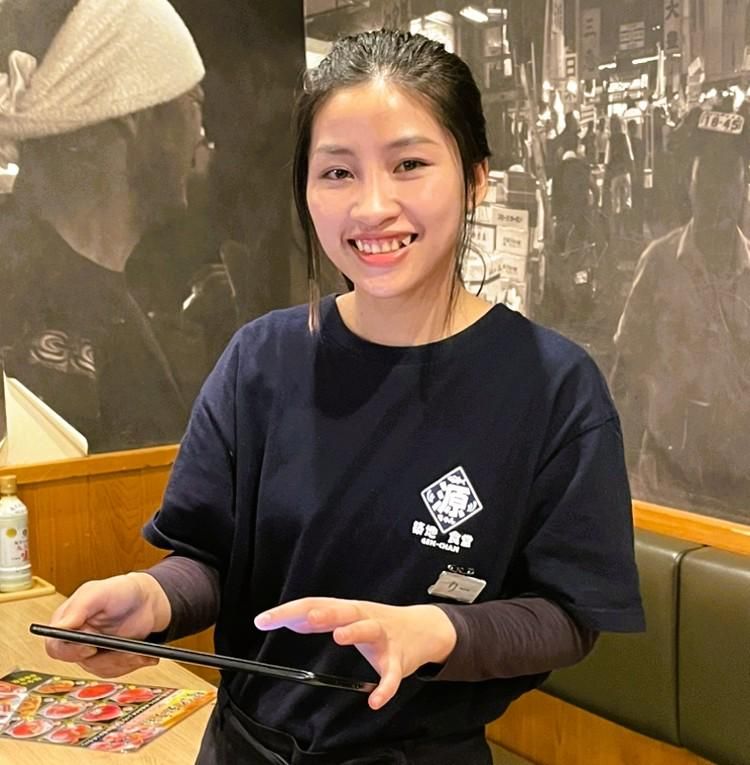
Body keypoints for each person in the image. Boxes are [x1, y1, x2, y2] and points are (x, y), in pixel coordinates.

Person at [45, 30, 645, 764]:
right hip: (245, 749)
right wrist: (152, 599)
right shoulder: (261, 359)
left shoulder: (552, 386)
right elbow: (205, 557)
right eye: (337, 172)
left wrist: (439, 631)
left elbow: (568, 614)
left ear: (475, 178)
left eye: (409, 164)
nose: (372, 205)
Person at [0, 0, 211, 451]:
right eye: (193, 104)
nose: (200, 135)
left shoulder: (98, 295)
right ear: (133, 113)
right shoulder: (29, 301)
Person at [610, 118, 750, 520]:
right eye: (707, 184)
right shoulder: (659, 262)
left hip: (738, 490)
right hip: (665, 482)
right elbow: (625, 371)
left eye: (728, 184)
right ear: (691, 188)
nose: (717, 198)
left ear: (742, 190)